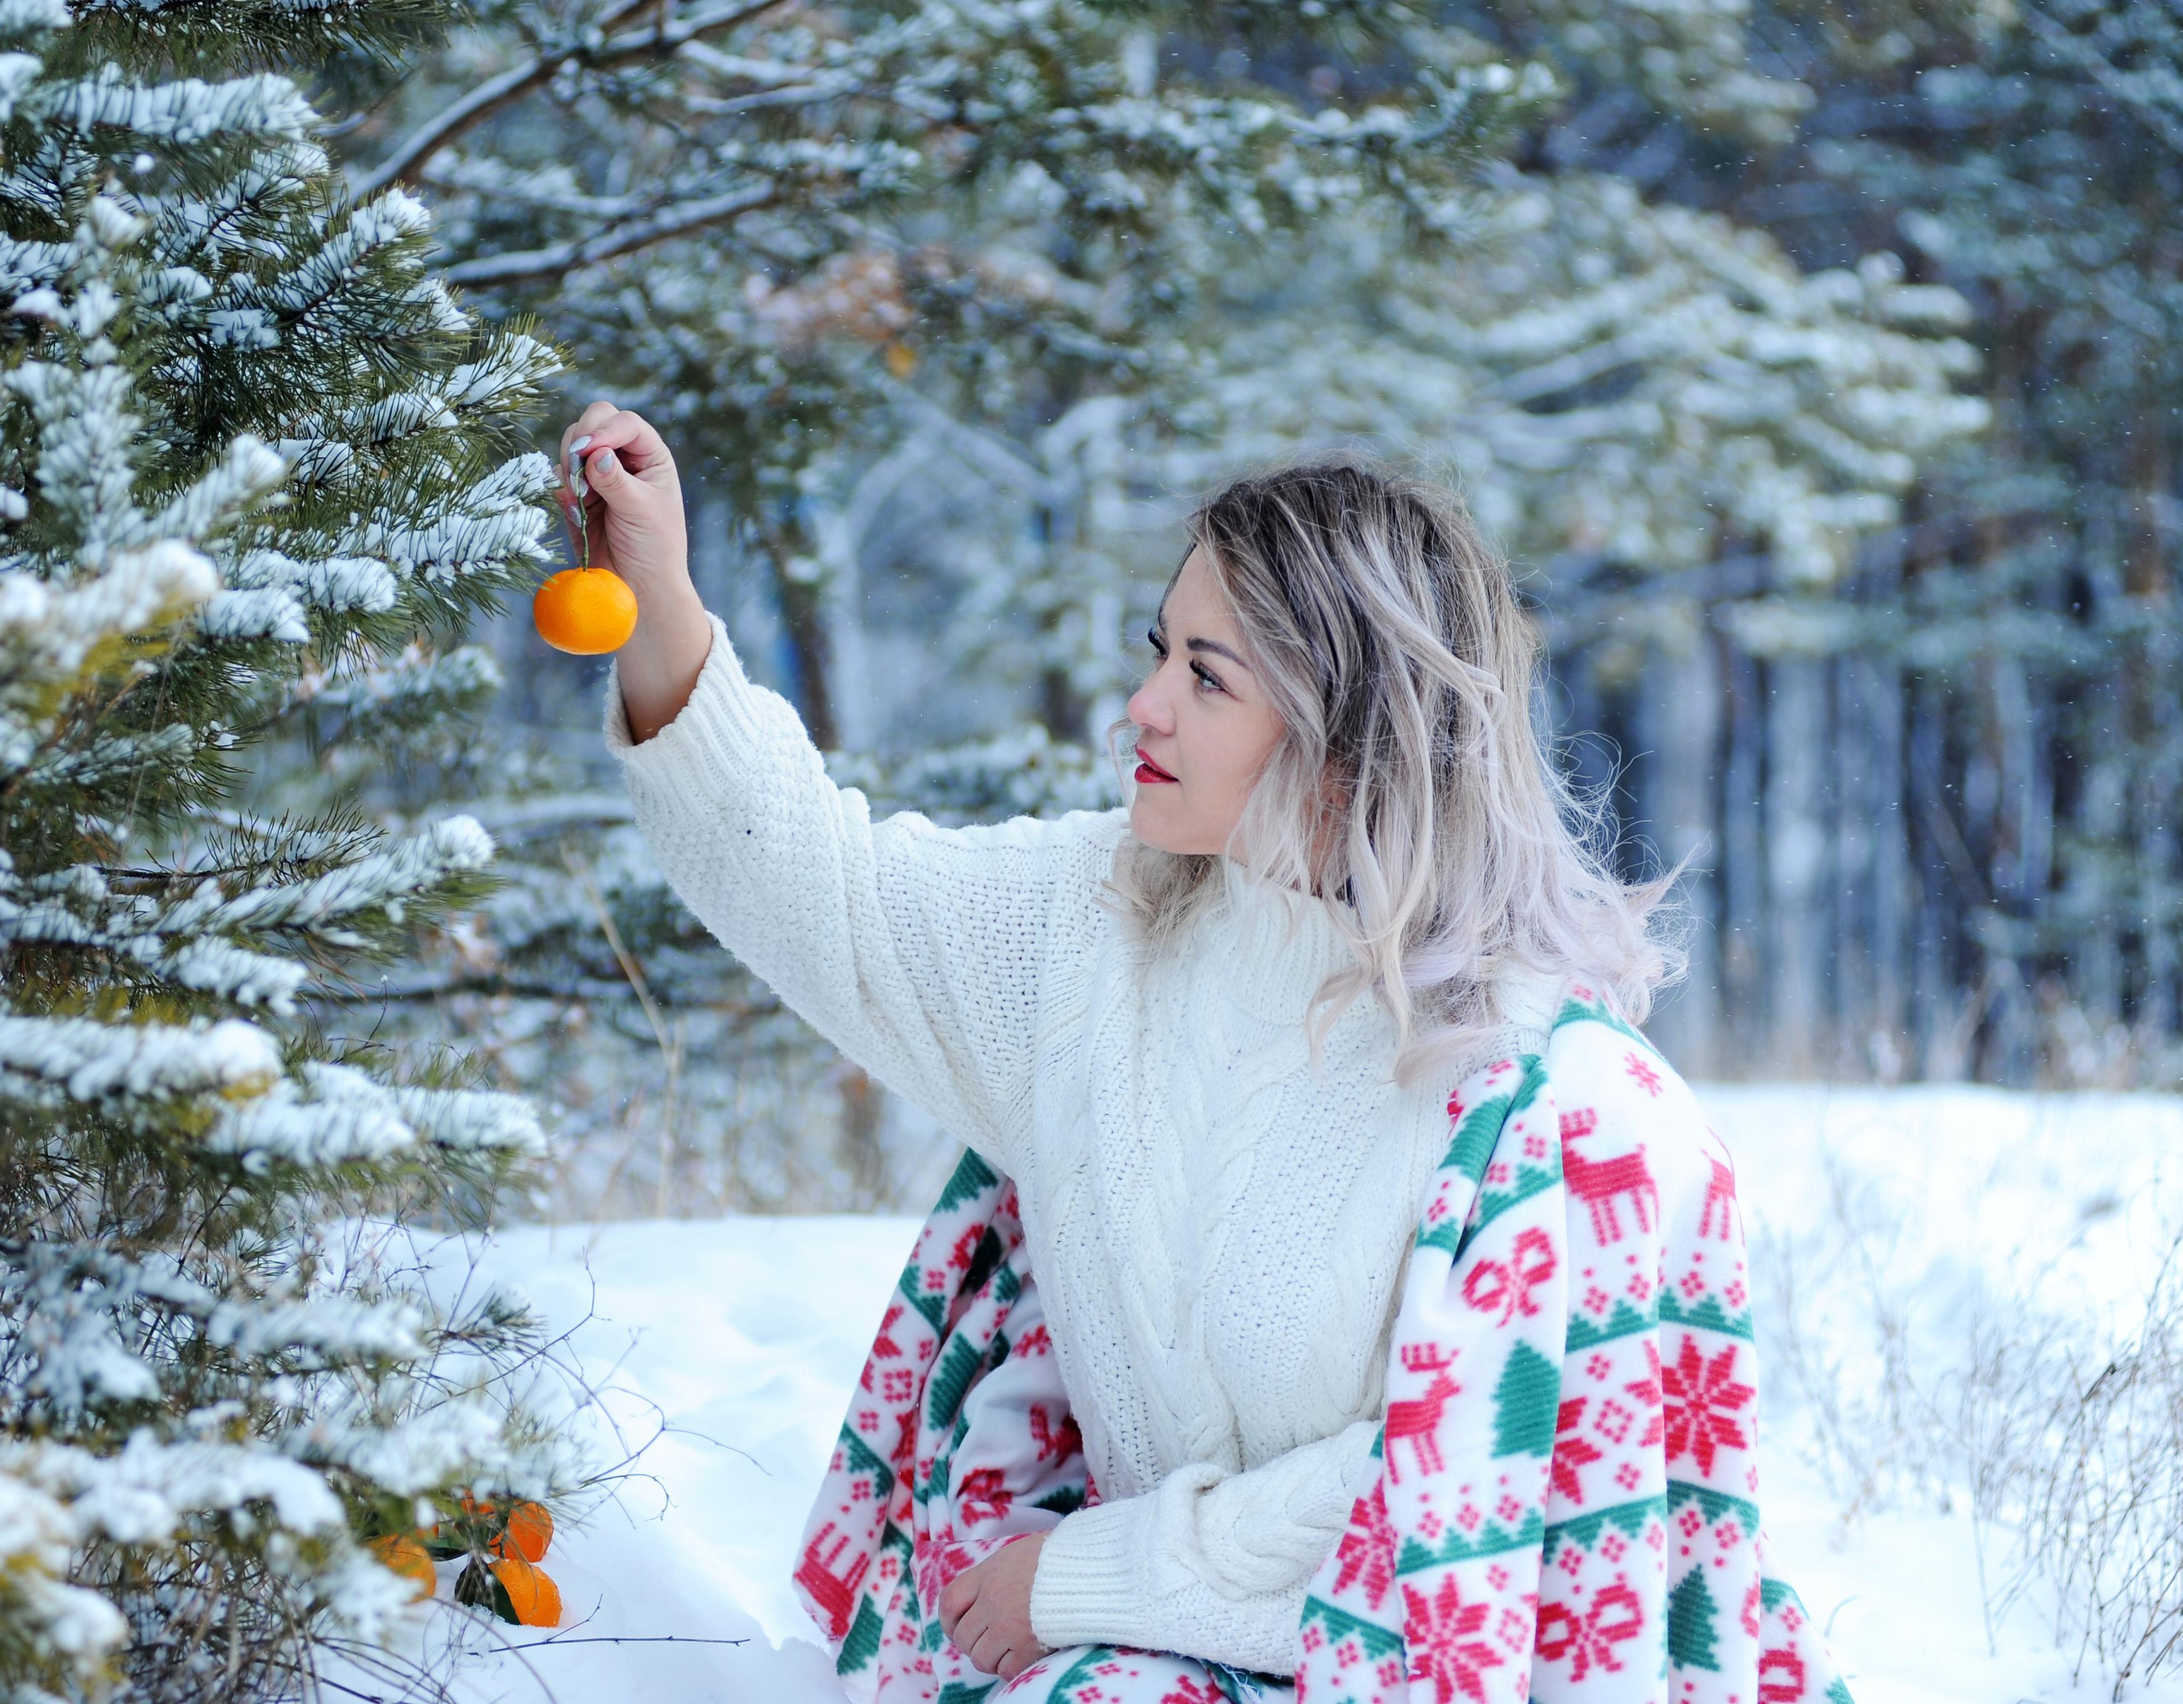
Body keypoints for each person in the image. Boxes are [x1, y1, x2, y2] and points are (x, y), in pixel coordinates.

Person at [560, 400, 1675, 1692]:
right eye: (1163, 651)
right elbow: (827, 893)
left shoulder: (1528, 1082)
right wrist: (659, 599)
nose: (1141, 706)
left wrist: (1108, 1575)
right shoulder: (1091, 928)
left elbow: (1473, 1503)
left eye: (1207, 678)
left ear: (1348, 742)